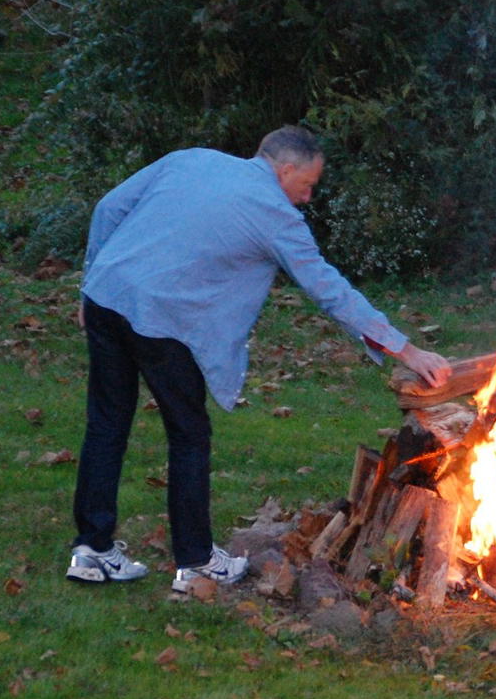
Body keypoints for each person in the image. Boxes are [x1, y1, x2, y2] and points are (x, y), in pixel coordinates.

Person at [66, 125, 450, 592]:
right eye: (307, 185)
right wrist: (407, 349)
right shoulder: (275, 215)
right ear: (285, 170)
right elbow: (328, 289)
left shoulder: (192, 158)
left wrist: (89, 282)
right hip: (163, 320)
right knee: (189, 436)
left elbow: (109, 208)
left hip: (107, 296)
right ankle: (196, 562)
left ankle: (92, 550)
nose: (307, 198)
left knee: (107, 423)